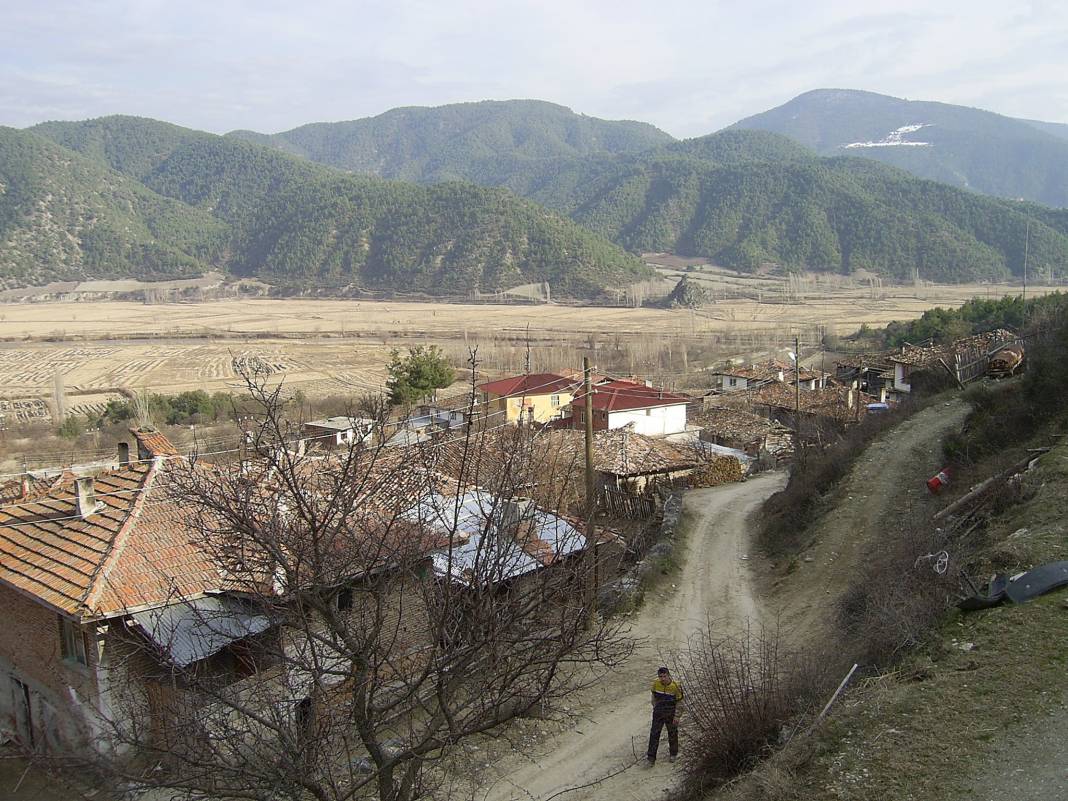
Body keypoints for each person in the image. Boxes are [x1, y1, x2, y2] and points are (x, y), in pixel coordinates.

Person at [645, 666, 683, 766]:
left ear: (668, 675)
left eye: (664, 676)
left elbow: (680, 702)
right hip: (658, 713)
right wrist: (655, 706)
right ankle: (651, 758)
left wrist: (677, 716)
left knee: (672, 733)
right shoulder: (656, 684)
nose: (662, 678)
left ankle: (673, 754)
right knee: (654, 734)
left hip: (671, 712)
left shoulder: (676, 686)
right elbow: (653, 696)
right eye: (660, 676)